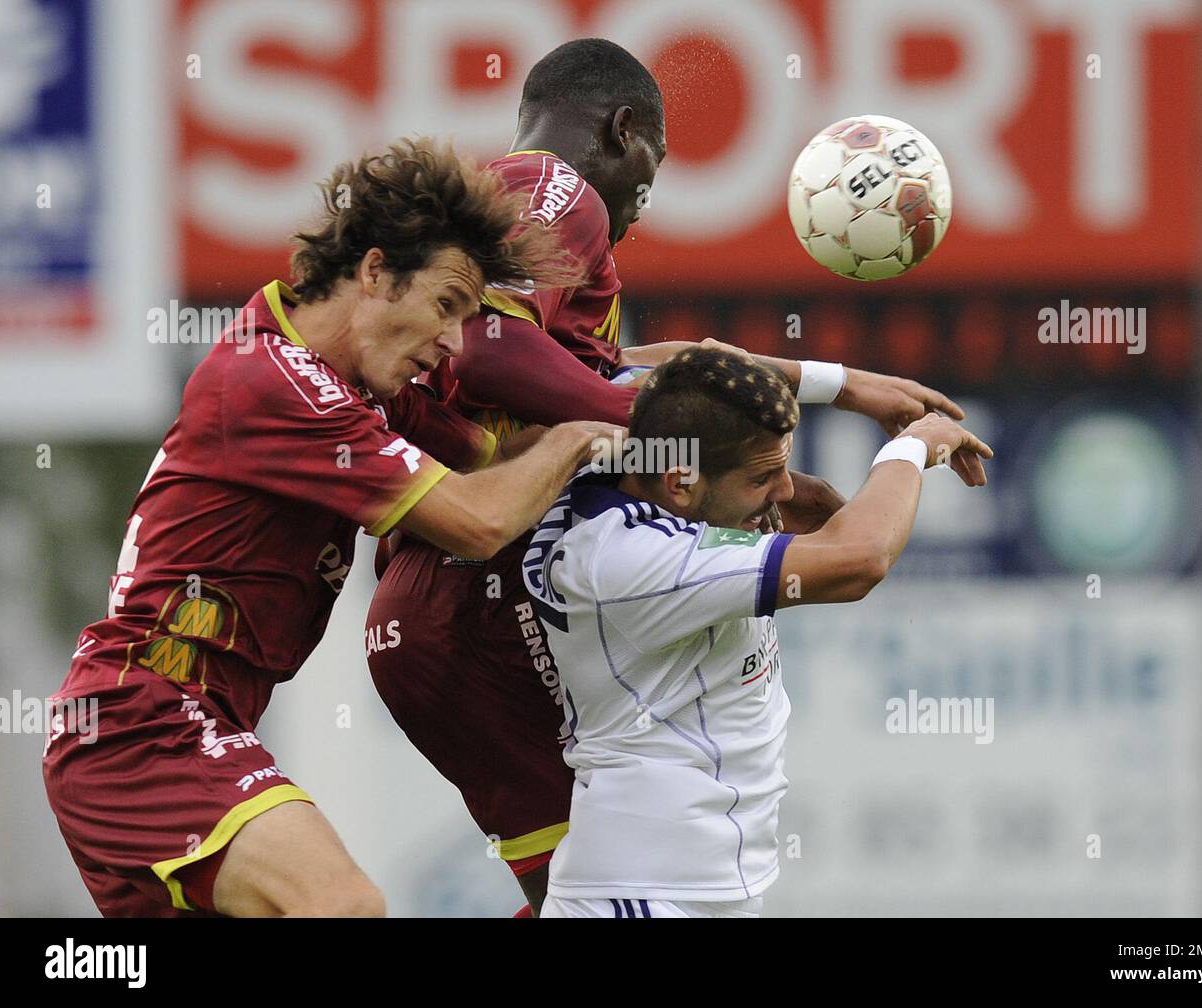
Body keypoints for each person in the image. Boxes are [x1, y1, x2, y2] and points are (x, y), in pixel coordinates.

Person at [365, 39, 972, 914]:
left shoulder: (518, 212)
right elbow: (488, 350)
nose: (641, 208)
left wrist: (841, 384)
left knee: (570, 883)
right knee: (607, 858)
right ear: (621, 131)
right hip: (475, 595)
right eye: (650, 166)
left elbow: (633, 368)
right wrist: (657, 439)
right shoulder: (558, 193)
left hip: (436, 609)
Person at [42, 137, 619, 917]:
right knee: (343, 906)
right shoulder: (273, 383)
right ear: (375, 271)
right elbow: (479, 519)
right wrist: (582, 433)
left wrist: (668, 386)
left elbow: (493, 455)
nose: (455, 340)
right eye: (447, 305)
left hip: (186, 728)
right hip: (142, 724)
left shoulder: (358, 387)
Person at [521, 347, 993, 918]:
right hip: (642, 891)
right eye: (762, 477)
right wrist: (910, 448)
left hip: (696, 886)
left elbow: (679, 363)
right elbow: (860, 559)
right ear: (680, 483)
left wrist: (841, 383)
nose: (787, 492)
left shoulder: (637, 463)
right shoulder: (631, 560)